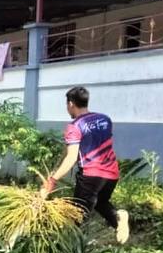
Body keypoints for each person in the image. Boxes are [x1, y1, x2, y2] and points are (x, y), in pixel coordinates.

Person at [40, 86, 129, 244]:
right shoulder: (105, 119)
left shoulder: (75, 126)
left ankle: (74, 252)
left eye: (67, 105)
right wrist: (58, 162)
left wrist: (52, 181)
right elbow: (79, 145)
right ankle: (118, 218)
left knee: (78, 216)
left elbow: (72, 157)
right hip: (111, 174)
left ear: (71, 104)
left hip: (91, 175)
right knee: (101, 203)